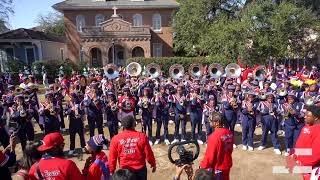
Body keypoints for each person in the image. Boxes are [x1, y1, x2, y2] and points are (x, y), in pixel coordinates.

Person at [109, 115, 156, 180]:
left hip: (125, 172)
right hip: (140, 169)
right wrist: (153, 163)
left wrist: (111, 171)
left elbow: (112, 157)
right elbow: (148, 153)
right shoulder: (142, 136)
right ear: (134, 124)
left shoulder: (115, 139)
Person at [200, 112, 233, 180]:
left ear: (217, 122)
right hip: (227, 164)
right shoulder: (229, 132)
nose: (210, 122)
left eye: (211, 121)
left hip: (218, 168)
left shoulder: (213, 137)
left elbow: (210, 157)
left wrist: (203, 166)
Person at [293, 105, 320, 180]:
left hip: (313, 168)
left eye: (307, 116)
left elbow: (316, 155)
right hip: (304, 163)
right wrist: (296, 154)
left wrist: (304, 163)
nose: (304, 117)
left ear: (316, 118)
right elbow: (300, 143)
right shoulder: (306, 127)